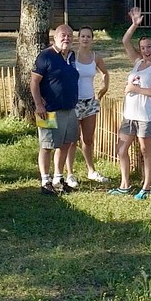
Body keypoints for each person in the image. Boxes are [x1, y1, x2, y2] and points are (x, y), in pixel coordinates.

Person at [110, 7, 151, 199]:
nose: (145, 51)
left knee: (144, 150)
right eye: (142, 48)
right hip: (129, 115)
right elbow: (125, 41)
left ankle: (146, 187)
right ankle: (124, 185)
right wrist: (134, 25)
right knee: (121, 149)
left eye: (149, 47)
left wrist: (135, 90)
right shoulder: (137, 62)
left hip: (145, 116)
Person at [30, 23, 80, 195]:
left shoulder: (72, 56)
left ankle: (59, 178)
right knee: (46, 145)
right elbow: (34, 82)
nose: (67, 38)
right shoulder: (45, 56)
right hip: (48, 110)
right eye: (63, 36)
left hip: (69, 109)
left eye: (70, 36)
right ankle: (45, 181)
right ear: (55, 38)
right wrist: (39, 105)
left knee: (66, 143)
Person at [64, 26, 110, 186]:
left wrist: (103, 90)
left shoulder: (95, 57)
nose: (85, 39)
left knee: (88, 139)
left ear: (92, 39)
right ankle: (70, 174)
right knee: (71, 139)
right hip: (74, 102)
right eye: (82, 36)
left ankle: (91, 170)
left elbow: (105, 73)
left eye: (88, 36)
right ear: (78, 38)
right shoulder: (71, 56)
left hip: (90, 101)